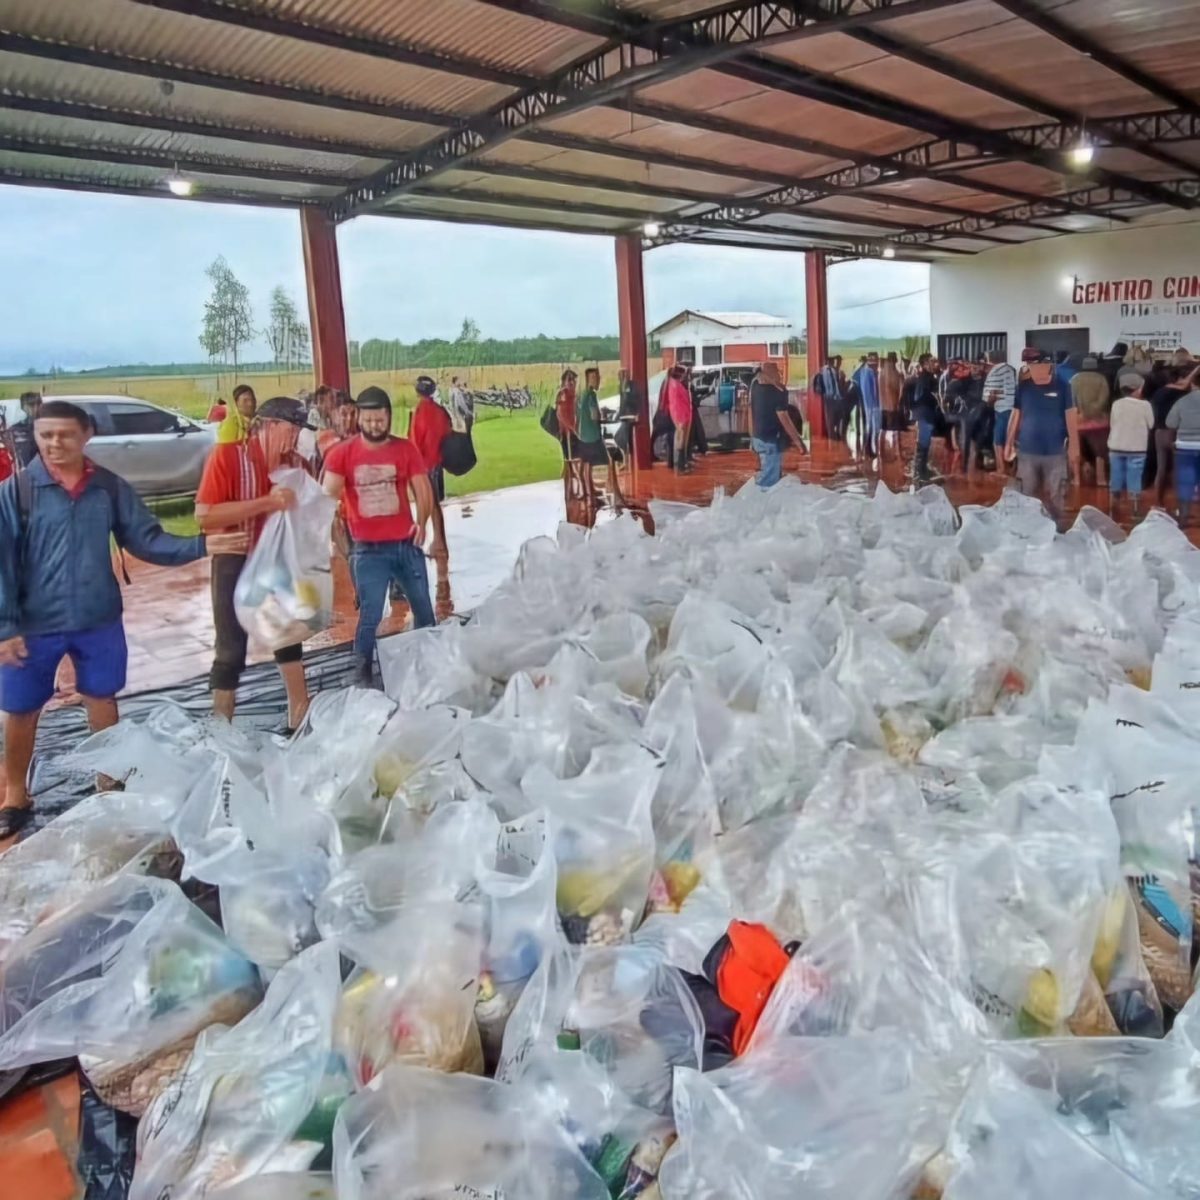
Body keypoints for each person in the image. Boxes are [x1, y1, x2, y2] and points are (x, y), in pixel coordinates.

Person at [0, 400, 214, 836]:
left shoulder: (110, 488)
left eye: (65, 434)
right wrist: (5, 628)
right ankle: (15, 794)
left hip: (98, 617)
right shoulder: (17, 491)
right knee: (20, 710)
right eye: (45, 435)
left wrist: (204, 546)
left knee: (102, 699)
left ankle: (109, 783)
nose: (54, 443)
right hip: (33, 624)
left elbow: (148, 540)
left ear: (86, 435)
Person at [195, 395, 313, 732]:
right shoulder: (229, 457)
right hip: (234, 558)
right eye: (292, 429)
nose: (295, 438)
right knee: (230, 647)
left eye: (299, 431)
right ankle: (220, 728)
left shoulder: (295, 465)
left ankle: (299, 716)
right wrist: (265, 503)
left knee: (288, 635)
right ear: (270, 426)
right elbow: (204, 515)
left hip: (276, 558)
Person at [323, 387, 434, 686]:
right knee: (371, 614)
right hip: (367, 550)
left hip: (405, 545)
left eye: (380, 419)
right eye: (369, 419)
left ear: (389, 418)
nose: (374, 425)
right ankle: (362, 670)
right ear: (359, 417)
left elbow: (423, 488)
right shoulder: (341, 455)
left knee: (424, 607)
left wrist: (422, 521)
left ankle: (428, 663)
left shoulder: (405, 449)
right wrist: (333, 537)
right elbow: (325, 499)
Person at [1005, 349, 1079, 524]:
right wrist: (1008, 441)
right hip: (1028, 451)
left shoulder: (1063, 386)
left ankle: (1056, 531)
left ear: (1047, 365)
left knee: (1056, 496)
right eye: (1028, 364)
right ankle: (1027, 531)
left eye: (1034, 364)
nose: (1030, 368)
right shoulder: (1023, 387)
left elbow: (1071, 416)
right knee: (1027, 494)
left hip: (1055, 452)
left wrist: (1074, 447)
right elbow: (1016, 415)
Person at [409, 374, 452, 556]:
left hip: (423, 464)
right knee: (434, 505)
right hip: (437, 462)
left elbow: (414, 440)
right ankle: (438, 541)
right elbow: (447, 432)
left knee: (425, 504)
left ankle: (427, 541)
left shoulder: (420, 412)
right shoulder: (440, 411)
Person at [750, 361, 807, 487]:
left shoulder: (755, 386)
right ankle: (759, 504)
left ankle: (761, 501)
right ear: (773, 373)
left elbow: (751, 412)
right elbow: (784, 419)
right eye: (778, 372)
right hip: (771, 441)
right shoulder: (778, 392)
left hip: (757, 438)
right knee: (769, 481)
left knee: (768, 474)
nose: (780, 375)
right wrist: (798, 442)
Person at [1151, 363, 1200, 509]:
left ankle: (1158, 503)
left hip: (1159, 433)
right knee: (1178, 471)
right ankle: (1180, 506)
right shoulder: (1180, 393)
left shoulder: (1159, 392)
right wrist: (1196, 369)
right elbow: (1186, 384)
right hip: (1174, 435)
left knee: (1161, 470)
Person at [1107, 376, 1154, 520]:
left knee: (1116, 475)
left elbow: (1112, 422)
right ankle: (1134, 509)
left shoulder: (1116, 404)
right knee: (1135, 477)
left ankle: (1113, 507)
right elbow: (1151, 424)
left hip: (1116, 445)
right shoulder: (1145, 405)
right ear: (1139, 389)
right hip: (1137, 447)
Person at [1071, 355, 1112, 486]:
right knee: (1100, 452)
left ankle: (1077, 479)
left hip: (1079, 420)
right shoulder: (1101, 379)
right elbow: (1104, 398)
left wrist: (1081, 412)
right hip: (1099, 422)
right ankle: (1101, 479)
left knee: (1076, 451)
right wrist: (1094, 411)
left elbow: (1071, 399)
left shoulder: (1075, 379)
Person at [1166, 376, 1200, 525]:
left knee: (1186, 481)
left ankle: (1184, 516)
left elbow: (1170, 423)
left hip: (1185, 446)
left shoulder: (1182, 401)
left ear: (1192, 384)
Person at [983, 350, 1017, 474]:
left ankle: (1001, 469)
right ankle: (1011, 469)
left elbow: (990, 395)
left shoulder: (995, 372)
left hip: (1002, 409)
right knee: (1011, 439)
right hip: (1013, 409)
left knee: (998, 440)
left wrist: (991, 398)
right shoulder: (1011, 369)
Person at [911, 353, 942, 482]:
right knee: (923, 441)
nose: (934, 363)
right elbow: (918, 397)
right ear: (924, 364)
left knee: (925, 441)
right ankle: (919, 472)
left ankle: (922, 469)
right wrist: (934, 399)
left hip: (926, 413)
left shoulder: (929, 377)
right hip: (924, 413)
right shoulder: (925, 378)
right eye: (931, 361)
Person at [665, 364, 693, 474]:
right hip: (680, 414)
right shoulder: (676, 386)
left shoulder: (673, 384)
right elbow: (682, 401)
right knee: (681, 440)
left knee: (680, 439)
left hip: (680, 414)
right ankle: (680, 466)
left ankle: (680, 464)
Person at [853, 353, 881, 461]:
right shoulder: (869, 373)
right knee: (873, 429)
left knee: (869, 428)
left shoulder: (863, 372)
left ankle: (868, 450)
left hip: (868, 405)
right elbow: (872, 391)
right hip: (872, 405)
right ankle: (872, 450)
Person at [812, 355, 845, 442]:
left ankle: (835, 437)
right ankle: (833, 438)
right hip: (830, 398)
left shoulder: (832, 370)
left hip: (833, 398)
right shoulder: (824, 371)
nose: (833, 362)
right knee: (831, 420)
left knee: (834, 419)